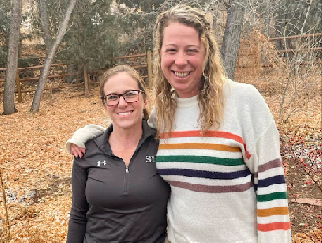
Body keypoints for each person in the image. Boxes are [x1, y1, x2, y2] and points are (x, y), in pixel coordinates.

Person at [66, 4, 291, 243]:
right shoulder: (164, 112)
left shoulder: (243, 101)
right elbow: (128, 131)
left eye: (191, 50)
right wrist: (86, 135)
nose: (180, 61)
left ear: (207, 53)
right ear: (161, 55)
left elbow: (271, 188)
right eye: (171, 50)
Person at [66, 65, 170, 243]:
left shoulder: (164, 146)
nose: (122, 103)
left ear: (144, 99)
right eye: (113, 97)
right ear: (105, 104)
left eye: (130, 94)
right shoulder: (87, 150)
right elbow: (78, 215)